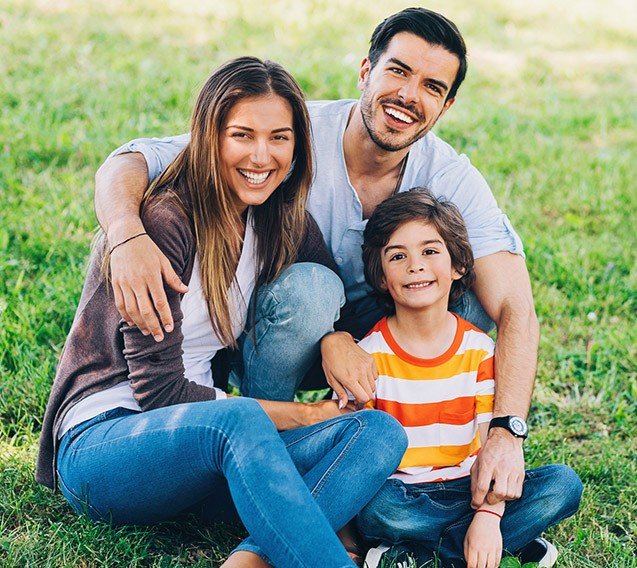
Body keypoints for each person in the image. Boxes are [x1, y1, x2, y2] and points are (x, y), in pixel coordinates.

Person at [93, 7, 539, 511]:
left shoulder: (452, 176)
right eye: (398, 71)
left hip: (371, 341)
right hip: (263, 330)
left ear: (447, 105)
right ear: (366, 71)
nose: (409, 96)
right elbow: (130, 160)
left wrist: (507, 432)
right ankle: (269, 463)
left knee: (470, 304)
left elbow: (516, 309)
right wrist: (126, 235)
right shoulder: (293, 134)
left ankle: (427, 460)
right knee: (310, 288)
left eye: (432, 87)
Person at [35, 56, 408, 568]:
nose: (262, 155)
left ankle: (251, 560)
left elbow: (332, 302)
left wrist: (336, 339)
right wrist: (302, 415)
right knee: (238, 418)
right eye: (242, 135)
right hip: (108, 446)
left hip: (207, 455)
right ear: (210, 138)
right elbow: (159, 393)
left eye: (280, 137)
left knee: (378, 433)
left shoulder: (281, 219)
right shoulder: (168, 220)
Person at [355, 189, 582, 568]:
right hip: (403, 493)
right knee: (377, 510)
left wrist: (489, 516)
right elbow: (359, 458)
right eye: (398, 256)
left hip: (472, 488)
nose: (415, 266)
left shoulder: (480, 350)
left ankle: (419, 554)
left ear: (459, 264)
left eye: (430, 251)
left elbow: (488, 449)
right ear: (380, 276)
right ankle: (494, 548)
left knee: (563, 486)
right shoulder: (367, 355)